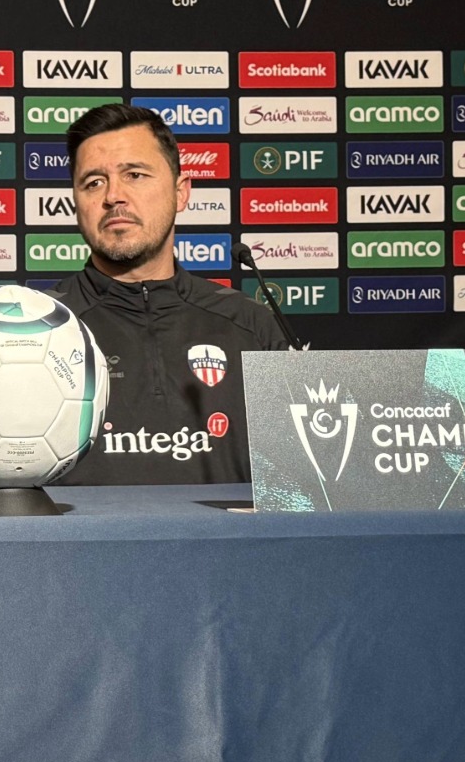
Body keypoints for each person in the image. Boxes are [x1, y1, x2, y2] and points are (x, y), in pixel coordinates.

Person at [50, 103, 288, 485]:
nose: (114, 196)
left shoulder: (251, 325)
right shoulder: (39, 330)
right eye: (93, 182)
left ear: (181, 193)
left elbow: (301, 482)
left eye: (135, 175)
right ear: (76, 204)